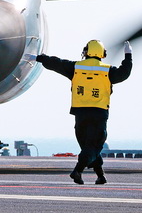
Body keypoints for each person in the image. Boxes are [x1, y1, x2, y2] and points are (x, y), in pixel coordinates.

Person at [36, 39, 132, 185]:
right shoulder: (108, 70)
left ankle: (101, 176)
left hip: (80, 114)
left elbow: (57, 63)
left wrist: (41, 58)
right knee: (93, 146)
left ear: (86, 52)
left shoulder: (76, 67)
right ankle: (77, 171)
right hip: (99, 114)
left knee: (89, 147)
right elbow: (124, 73)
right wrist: (128, 56)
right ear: (102, 54)